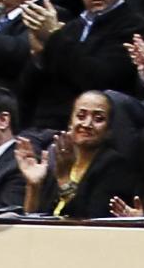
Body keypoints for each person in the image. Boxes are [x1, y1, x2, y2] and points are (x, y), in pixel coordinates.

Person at [18, 88, 136, 216]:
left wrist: (65, 182)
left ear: (109, 131)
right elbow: (31, 218)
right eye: (81, 116)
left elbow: (89, 222)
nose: (86, 124)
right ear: (70, 123)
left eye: (98, 119)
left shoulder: (117, 167)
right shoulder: (54, 156)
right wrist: (33, 186)